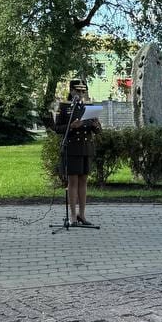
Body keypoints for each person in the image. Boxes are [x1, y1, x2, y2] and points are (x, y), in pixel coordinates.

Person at [54, 79, 101, 227]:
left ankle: (82, 214)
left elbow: (98, 130)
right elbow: (57, 128)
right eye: (78, 91)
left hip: (86, 148)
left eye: (83, 91)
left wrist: (96, 126)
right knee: (73, 181)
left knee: (83, 181)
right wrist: (72, 126)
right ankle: (73, 215)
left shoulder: (89, 107)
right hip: (72, 148)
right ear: (71, 91)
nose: (81, 94)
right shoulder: (64, 107)